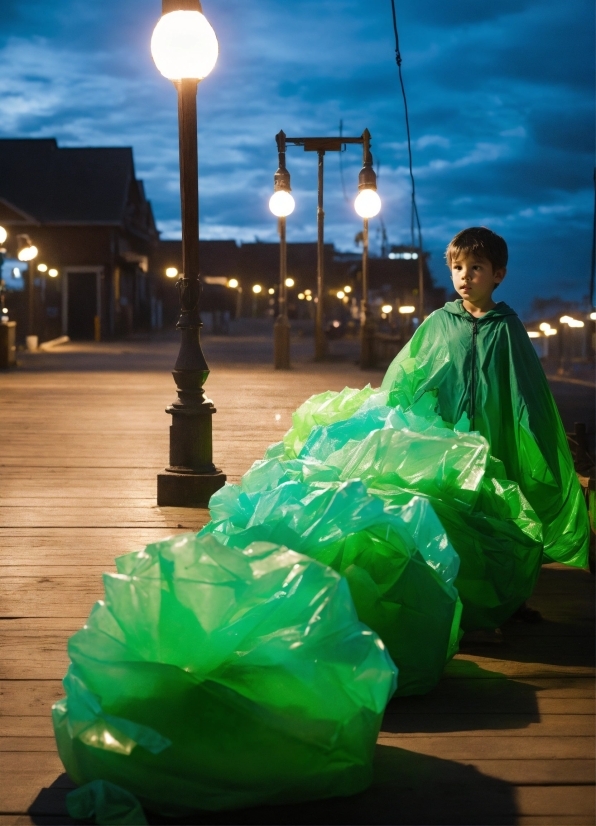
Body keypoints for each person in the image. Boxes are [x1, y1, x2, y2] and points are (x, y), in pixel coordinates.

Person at [380, 226, 589, 629]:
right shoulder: (440, 322)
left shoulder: (507, 327)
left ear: (498, 274)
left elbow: (529, 392)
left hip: (498, 441)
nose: (464, 276)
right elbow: (409, 373)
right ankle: (457, 597)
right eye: (458, 267)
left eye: (476, 267)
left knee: (504, 517)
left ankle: (510, 599)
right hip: (450, 442)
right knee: (457, 514)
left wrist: (538, 442)